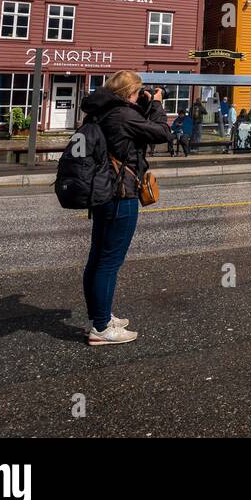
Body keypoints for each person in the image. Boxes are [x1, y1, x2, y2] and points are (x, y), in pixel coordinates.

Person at [80, 70, 171, 346]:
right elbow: (161, 133)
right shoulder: (122, 115)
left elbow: (136, 129)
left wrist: (143, 105)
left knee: (97, 258)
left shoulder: (101, 112)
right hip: (121, 193)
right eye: (137, 92)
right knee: (109, 262)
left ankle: (101, 315)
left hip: (103, 191)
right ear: (130, 92)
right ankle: (102, 328)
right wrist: (155, 103)